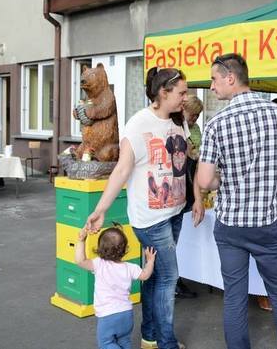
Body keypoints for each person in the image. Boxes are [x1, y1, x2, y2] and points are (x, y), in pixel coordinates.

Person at [196, 53, 277, 349]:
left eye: (214, 79)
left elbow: (204, 181)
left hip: (231, 226)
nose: (211, 86)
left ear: (230, 78)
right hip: (268, 224)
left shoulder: (216, 124)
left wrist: (226, 179)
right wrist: (271, 173)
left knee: (234, 297)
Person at [85, 67, 198, 349]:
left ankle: (150, 335)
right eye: (182, 92)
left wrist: (196, 195)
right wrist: (101, 209)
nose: (186, 97)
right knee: (169, 277)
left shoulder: (179, 121)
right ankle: (166, 343)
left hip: (175, 211)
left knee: (156, 276)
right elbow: (122, 170)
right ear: (163, 92)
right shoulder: (138, 124)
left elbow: (186, 161)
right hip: (151, 218)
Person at [75, 226, 156, 349]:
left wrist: (81, 240)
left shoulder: (99, 264)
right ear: (125, 249)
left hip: (107, 316)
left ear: (100, 248)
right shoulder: (130, 267)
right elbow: (145, 275)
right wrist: (150, 261)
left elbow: (80, 261)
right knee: (124, 342)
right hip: (126, 314)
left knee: (106, 344)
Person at [174, 93, 204, 299]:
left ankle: (178, 278)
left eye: (197, 116)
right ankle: (173, 281)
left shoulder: (195, 129)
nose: (195, 119)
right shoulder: (175, 127)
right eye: (193, 114)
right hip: (178, 184)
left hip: (190, 181)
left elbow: (197, 154)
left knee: (181, 237)